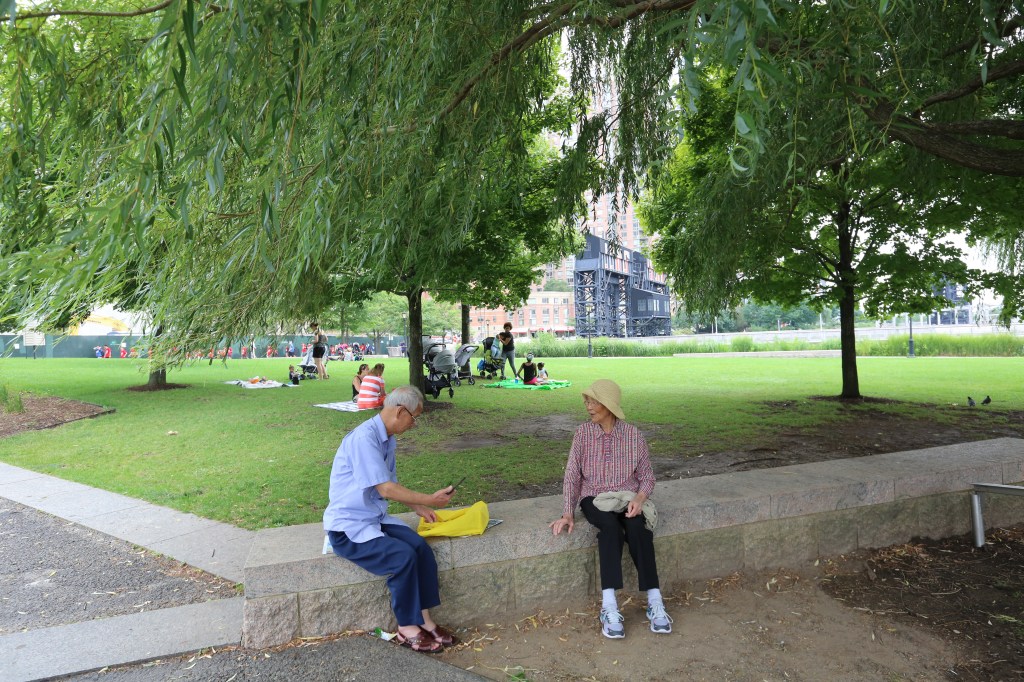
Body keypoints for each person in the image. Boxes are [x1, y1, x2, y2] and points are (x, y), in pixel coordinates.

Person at [324, 386, 456, 653]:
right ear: (399, 411)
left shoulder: (385, 438)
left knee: (420, 548)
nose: (414, 424)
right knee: (402, 557)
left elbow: (388, 483)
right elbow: (385, 489)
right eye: (414, 417)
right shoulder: (365, 439)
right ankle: (407, 627)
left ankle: (425, 620)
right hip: (349, 527)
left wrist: (417, 506)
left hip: (374, 517)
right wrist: (430, 499)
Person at [549, 379, 671, 639]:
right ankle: (609, 606)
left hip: (626, 496)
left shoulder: (633, 435)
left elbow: (647, 476)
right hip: (593, 498)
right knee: (611, 529)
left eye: (593, 402)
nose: (588, 407)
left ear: (608, 405)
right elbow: (572, 475)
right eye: (587, 402)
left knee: (638, 528)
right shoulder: (582, 434)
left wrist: (639, 498)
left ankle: (654, 601)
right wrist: (567, 512)